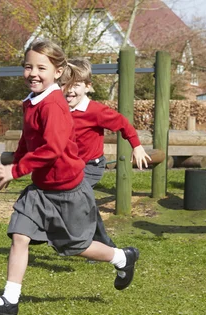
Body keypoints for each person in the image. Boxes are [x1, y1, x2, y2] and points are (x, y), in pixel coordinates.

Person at [0, 39, 139, 315]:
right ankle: (9, 301)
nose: (33, 73)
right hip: (40, 189)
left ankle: (122, 257)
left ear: (58, 72)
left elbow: (52, 149)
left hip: (68, 190)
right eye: (28, 67)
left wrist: (15, 171)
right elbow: (28, 140)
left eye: (41, 67)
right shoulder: (31, 102)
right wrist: (15, 163)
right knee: (19, 236)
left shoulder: (53, 105)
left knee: (76, 247)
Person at [60, 57, 151, 247]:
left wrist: (137, 146)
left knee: (76, 197)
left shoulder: (95, 111)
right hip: (70, 166)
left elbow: (123, 124)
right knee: (81, 202)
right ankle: (99, 244)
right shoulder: (59, 109)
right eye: (64, 84)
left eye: (75, 85)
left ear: (87, 86)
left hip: (90, 166)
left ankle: (96, 243)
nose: (70, 90)